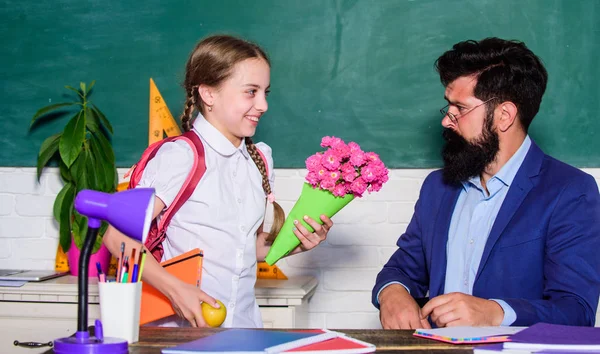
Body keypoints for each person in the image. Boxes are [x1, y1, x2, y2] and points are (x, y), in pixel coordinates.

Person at [103, 35, 333, 328]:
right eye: (251, 92)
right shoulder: (181, 156)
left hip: (244, 328)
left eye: (265, 92)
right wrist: (176, 290)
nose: (263, 105)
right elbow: (116, 236)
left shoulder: (259, 159)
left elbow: (244, 251)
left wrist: (297, 245)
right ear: (209, 94)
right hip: (182, 333)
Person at [373, 37, 600, 329]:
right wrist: (392, 292)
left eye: (460, 108)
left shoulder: (570, 191)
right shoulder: (437, 187)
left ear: (504, 115)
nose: (447, 121)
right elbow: (402, 268)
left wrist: (495, 313)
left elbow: (576, 309)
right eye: (448, 107)